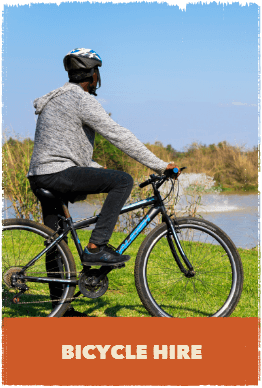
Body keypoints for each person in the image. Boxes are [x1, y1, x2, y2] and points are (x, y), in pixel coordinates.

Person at [28, 48, 180, 316]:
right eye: (98, 72)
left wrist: (99, 169)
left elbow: (65, 150)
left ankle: (60, 311)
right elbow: (119, 135)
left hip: (41, 174)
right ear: (93, 74)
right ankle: (96, 247)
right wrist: (159, 164)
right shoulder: (80, 100)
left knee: (56, 241)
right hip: (57, 173)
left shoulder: (58, 98)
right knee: (122, 181)